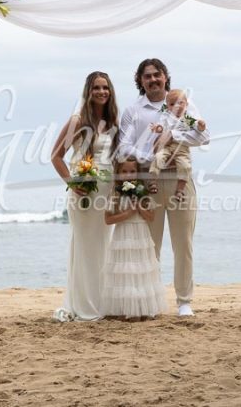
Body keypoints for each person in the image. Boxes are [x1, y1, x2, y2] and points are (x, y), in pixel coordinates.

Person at [118, 59, 209, 317]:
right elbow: (123, 147)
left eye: (157, 75)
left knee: (183, 243)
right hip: (151, 180)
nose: (153, 80)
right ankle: (152, 300)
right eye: (147, 77)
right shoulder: (133, 111)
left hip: (180, 179)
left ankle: (184, 302)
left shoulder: (183, 103)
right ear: (140, 80)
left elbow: (204, 136)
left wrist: (172, 139)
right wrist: (151, 155)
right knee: (150, 244)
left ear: (165, 76)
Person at [51, 71, 119, 321]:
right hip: (84, 195)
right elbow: (56, 156)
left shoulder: (114, 122)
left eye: (105, 88)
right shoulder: (77, 121)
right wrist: (72, 181)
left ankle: (102, 301)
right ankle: (82, 305)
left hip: (106, 194)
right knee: (84, 247)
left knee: (103, 247)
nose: (102, 92)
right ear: (88, 92)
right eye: (96, 88)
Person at [101, 157, 167, 319]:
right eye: (124, 172)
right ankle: (125, 308)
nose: (128, 175)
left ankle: (142, 308)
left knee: (140, 270)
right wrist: (127, 214)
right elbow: (108, 220)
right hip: (123, 235)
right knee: (125, 270)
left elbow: (151, 217)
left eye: (132, 171)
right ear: (118, 173)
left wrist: (139, 208)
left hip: (140, 235)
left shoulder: (142, 192)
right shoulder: (115, 193)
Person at [148, 89, 207, 202]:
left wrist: (201, 126)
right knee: (158, 157)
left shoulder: (188, 118)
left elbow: (198, 129)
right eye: (172, 104)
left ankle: (180, 190)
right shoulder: (166, 116)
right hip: (167, 145)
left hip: (182, 147)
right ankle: (153, 181)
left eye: (180, 103)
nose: (177, 106)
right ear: (168, 107)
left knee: (185, 166)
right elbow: (161, 126)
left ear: (186, 104)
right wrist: (157, 128)